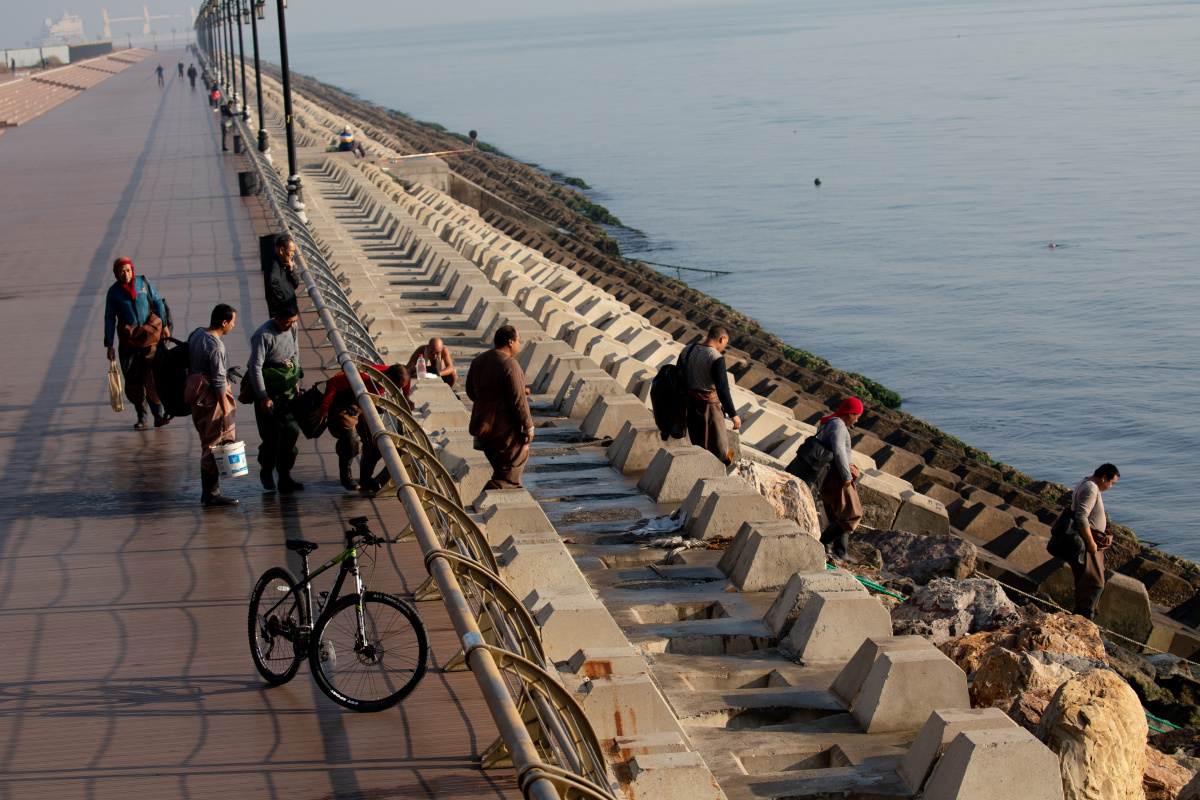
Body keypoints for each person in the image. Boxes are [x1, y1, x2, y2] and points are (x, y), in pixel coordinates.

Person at [311, 364, 408, 491]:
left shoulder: (395, 375)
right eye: (397, 387)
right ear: (388, 378)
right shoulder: (364, 376)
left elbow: (406, 382)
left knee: (375, 441)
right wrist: (323, 409)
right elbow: (333, 383)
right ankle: (346, 478)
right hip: (345, 405)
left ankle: (365, 479)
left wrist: (407, 398)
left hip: (363, 404)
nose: (397, 391)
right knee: (351, 439)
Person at [104, 256, 170, 429]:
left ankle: (158, 415)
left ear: (132, 270)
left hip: (150, 340)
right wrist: (109, 344)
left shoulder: (143, 283)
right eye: (121, 271)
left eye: (128, 270)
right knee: (133, 380)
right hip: (129, 343)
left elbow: (157, 302)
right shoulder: (113, 292)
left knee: (153, 378)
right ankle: (142, 417)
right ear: (116, 273)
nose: (125, 274)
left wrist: (164, 325)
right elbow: (109, 318)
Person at [465, 325, 533, 490]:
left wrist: (487, 402)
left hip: (482, 426)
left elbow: (470, 391)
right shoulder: (510, 365)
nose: (518, 345)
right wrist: (528, 426)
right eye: (518, 341)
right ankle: (493, 496)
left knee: (501, 469)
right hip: (503, 430)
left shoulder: (478, 361)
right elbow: (519, 402)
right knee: (509, 471)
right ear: (510, 342)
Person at [248, 300, 304, 493]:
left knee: (291, 430)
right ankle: (267, 471)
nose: (289, 326)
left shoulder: (293, 327)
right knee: (271, 435)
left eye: (293, 322)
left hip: (288, 387)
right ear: (276, 318)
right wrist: (263, 396)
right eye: (286, 322)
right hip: (270, 388)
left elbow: (295, 352)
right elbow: (255, 367)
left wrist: (295, 377)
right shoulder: (262, 335)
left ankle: (285, 475)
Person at [186, 304, 238, 507]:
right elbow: (217, 381)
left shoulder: (197, 334)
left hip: (196, 395)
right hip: (210, 400)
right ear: (224, 323)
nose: (233, 326)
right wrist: (226, 410)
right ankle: (211, 493)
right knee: (214, 445)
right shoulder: (217, 346)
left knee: (207, 442)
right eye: (232, 322)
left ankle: (207, 493)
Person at [681, 325, 742, 465]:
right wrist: (734, 415)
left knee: (698, 445)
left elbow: (680, 376)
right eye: (726, 343)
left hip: (690, 405)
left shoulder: (687, 349)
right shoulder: (716, 357)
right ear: (722, 338)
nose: (724, 346)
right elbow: (722, 389)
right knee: (720, 449)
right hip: (710, 408)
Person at [813, 397, 864, 561]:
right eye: (857, 415)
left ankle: (839, 551)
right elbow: (839, 451)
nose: (857, 420)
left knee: (836, 514)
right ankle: (824, 542)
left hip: (827, 476)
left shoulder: (827, 422)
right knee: (851, 515)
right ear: (849, 414)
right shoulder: (839, 425)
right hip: (838, 476)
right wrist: (846, 476)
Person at [1068, 463, 1120, 619]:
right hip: (1089, 542)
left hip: (1091, 539)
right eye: (1111, 483)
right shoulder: (1091, 488)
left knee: (1088, 582)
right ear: (1104, 478)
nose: (1111, 487)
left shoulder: (1086, 484)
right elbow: (1081, 516)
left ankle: (1084, 617)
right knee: (1095, 584)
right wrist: (1091, 542)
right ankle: (1084, 619)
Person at [264, 233, 299, 317]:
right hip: (282, 316)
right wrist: (281, 300)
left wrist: (291, 271)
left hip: (290, 312)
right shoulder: (273, 266)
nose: (293, 254)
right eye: (291, 251)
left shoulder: (285, 265)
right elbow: (271, 281)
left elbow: (295, 284)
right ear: (282, 250)